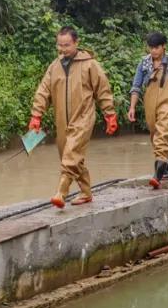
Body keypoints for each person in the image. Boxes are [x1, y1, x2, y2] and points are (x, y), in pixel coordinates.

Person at [29, 26, 118, 208]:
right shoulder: (54, 66)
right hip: (62, 120)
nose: (63, 49)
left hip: (83, 117)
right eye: (60, 45)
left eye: (67, 45)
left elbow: (103, 90)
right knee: (70, 157)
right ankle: (86, 192)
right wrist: (36, 115)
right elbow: (43, 91)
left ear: (76, 43)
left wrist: (109, 114)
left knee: (71, 156)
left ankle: (61, 192)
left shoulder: (90, 64)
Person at [127, 32, 168, 189]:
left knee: (162, 135)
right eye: (150, 47)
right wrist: (132, 107)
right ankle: (167, 165)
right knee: (155, 136)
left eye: (156, 47)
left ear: (164, 46)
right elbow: (136, 87)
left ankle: (156, 176)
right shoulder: (144, 63)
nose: (153, 51)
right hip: (150, 105)